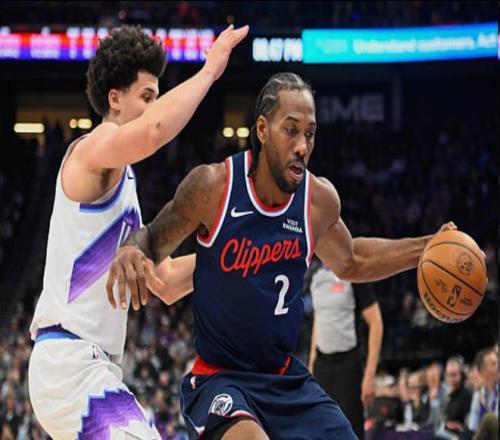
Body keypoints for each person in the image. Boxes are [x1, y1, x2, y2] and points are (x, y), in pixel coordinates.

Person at [108, 72, 465, 440]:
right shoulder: (213, 187)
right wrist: (131, 249)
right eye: (291, 130)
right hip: (220, 378)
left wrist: (425, 248)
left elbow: (353, 260)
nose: (302, 146)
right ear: (263, 130)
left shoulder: (318, 201)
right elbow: (152, 236)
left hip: (284, 378)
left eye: (309, 134)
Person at [28, 24, 248, 440]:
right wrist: (209, 72)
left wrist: (238, 254)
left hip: (91, 368)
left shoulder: (125, 187)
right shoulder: (90, 151)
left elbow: (165, 282)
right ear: (115, 99)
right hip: (69, 361)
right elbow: (153, 132)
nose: (154, 108)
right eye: (147, 97)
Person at [306, 258, 383, 440]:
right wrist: (311, 364)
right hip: (322, 366)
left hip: (348, 366)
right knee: (320, 431)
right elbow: (319, 319)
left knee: (351, 432)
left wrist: (370, 375)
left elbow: (376, 322)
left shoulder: (353, 274)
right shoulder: (314, 275)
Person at [434, 356, 472, 439]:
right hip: (447, 433)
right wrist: (447, 423)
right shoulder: (448, 395)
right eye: (448, 375)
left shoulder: (467, 395)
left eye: (454, 374)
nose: (451, 378)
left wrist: (459, 427)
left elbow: (468, 425)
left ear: (462, 375)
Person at [466, 347, 498, 437]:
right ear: (482, 371)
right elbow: (473, 427)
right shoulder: (478, 394)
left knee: (490, 419)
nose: (498, 367)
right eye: (493, 364)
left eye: (498, 363)